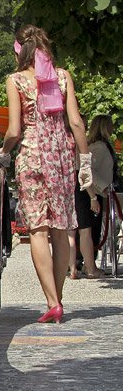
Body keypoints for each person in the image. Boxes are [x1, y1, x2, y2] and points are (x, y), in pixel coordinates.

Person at [0, 24, 92, 325]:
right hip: (62, 157)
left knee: (38, 228)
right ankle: (58, 299)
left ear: (18, 50)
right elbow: (76, 123)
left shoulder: (16, 81)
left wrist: (4, 151)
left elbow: (13, 130)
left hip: (33, 156)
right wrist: (85, 160)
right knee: (61, 228)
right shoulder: (62, 77)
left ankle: (51, 301)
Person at [76, 114, 117, 278]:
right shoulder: (99, 147)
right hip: (90, 192)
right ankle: (90, 267)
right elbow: (88, 171)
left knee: (90, 230)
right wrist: (102, 188)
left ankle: (89, 265)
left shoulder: (99, 146)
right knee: (87, 230)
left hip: (93, 191)